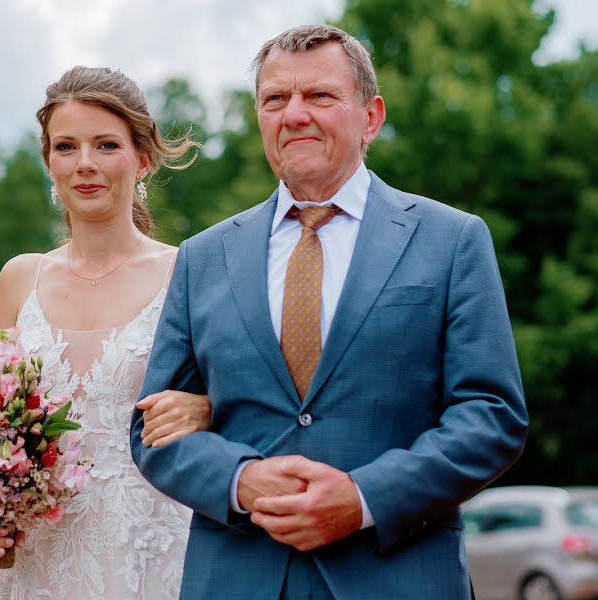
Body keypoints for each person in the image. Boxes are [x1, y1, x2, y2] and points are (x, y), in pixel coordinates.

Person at [130, 24, 528, 599]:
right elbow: (153, 430)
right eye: (275, 99)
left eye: (319, 95)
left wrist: (364, 499)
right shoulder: (203, 257)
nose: (294, 114)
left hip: (396, 575)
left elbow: (493, 414)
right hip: (239, 578)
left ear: (371, 117)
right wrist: (242, 481)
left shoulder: (452, 240)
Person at [0, 66, 211, 600]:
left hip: (150, 553)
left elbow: (246, 401)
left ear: (142, 158)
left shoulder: (189, 273)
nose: (86, 165)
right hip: (31, 561)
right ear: (49, 161)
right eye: (66, 147)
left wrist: (207, 408)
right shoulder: (19, 277)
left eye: (105, 144)